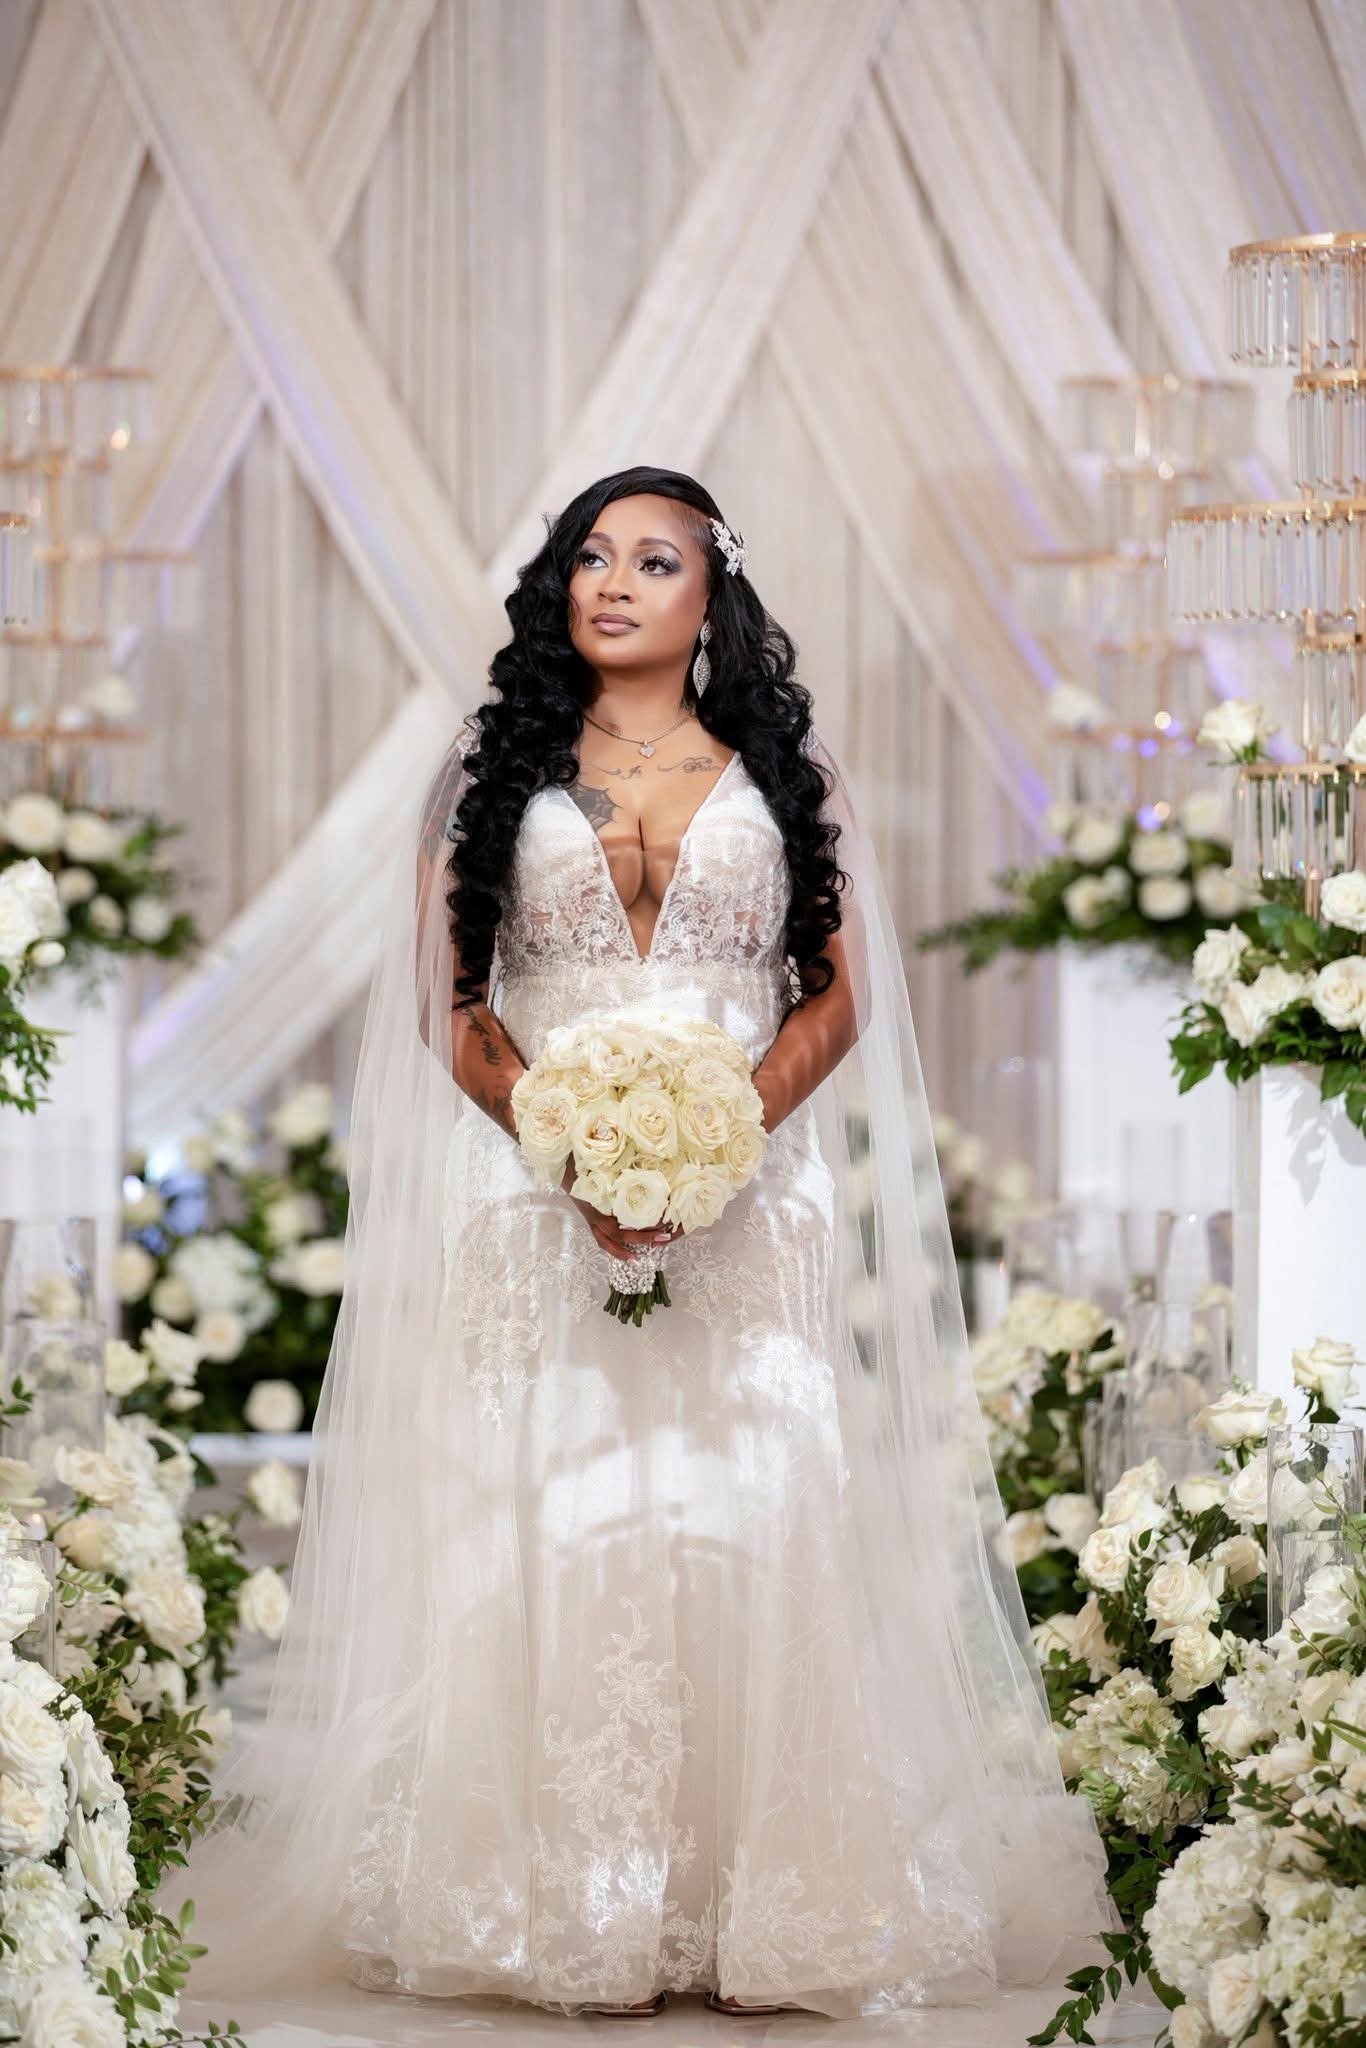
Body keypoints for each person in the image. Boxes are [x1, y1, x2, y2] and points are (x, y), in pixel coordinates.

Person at [176, 465, 1112, 2021]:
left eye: (653, 559)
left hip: (753, 1200)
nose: (612, 581)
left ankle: (771, 1898)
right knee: (538, 1512)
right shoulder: (498, 769)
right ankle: (554, 1904)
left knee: (748, 1504)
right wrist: (561, 1144)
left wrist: (727, 1131)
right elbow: (446, 1000)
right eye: (588, 557)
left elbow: (840, 990)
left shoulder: (778, 767)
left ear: (708, 595)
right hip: (530, 1198)